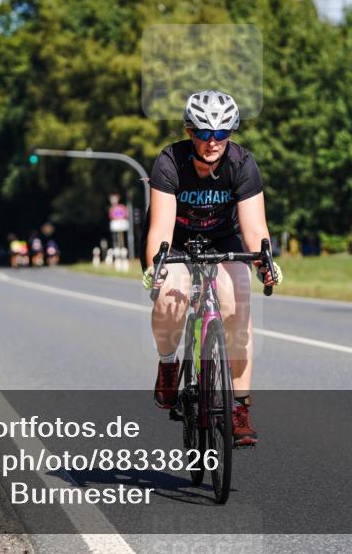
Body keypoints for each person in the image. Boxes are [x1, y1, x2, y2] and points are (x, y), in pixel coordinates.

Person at [142, 90, 282, 447]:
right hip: (176, 242)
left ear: (230, 133)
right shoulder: (170, 162)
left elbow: (254, 228)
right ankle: (168, 363)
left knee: (238, 305)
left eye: (221, 133)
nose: (212, 141)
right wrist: (157, 266)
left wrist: (264, 262)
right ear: (190, 132)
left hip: (222, 241)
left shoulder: (242, 163)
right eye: (204, 132)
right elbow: (161, 227)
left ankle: (238, 408)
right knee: (171, 297)